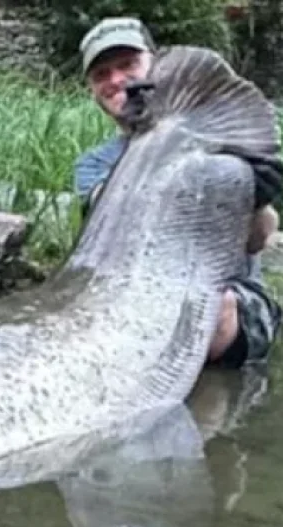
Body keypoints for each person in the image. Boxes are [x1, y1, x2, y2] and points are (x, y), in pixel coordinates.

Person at [72, 17, 282, 368]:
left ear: (155, 64)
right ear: (93, 90)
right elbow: (111, 232)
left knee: (207, 311)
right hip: (132, 296)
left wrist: (256, 196)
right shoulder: (93, 165)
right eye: (101, 74)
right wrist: (147, 147)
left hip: (226, 297)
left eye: (128, 64)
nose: (116, 79)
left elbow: (257, 240)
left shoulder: (215, 137)